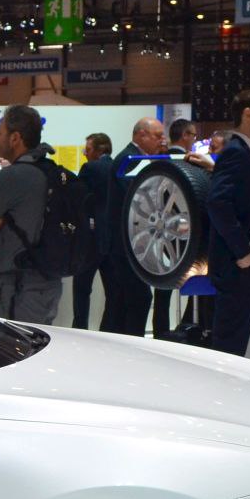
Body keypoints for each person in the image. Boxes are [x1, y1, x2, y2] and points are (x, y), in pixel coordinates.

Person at [0, 105, 61, 323]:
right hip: (48, 283)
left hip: (19, 286)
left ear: (15, 138)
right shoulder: (50, 170)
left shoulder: (12, 177)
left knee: (15, 342)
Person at [206, 90, 250, 356]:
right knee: (229, 348)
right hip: (238, 266)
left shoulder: (247, 152)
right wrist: (243, 252)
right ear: (248, 114)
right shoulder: (236, 152)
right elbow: (218, 203)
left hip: (247, 265)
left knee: (235, 344)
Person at [98, 117, 164, 336]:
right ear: (141, 134)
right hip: (124, 243)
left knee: (122, 299)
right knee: (138, 298)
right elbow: (140, 198)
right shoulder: (130, 159)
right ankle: (132, 343)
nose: (162, 141)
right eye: (157, 136)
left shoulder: (134, 158)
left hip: (127, 241)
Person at [72, 132, 114, 329]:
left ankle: (80, 330)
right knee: (113, 292)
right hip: (112, 239)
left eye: (87, 149)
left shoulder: (90, 169)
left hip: (90, 239)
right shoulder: (119, 167)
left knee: (82, 289)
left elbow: (78, 198)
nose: (85, 153)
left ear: (99, 150)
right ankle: (107, 331)